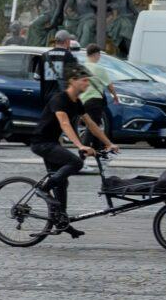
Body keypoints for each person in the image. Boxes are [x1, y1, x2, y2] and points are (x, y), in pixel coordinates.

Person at [27, 65, 113, 231]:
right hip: (41, 143)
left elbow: (91, 124)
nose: (87, 84)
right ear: (73, 81)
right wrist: (80, 145)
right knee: (75, 162)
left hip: (52, 143)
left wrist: (108, 143)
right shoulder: (58, 99)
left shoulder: (77, 102)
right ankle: (43, 189)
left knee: (62, 182)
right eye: (84, 80)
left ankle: (61, 220)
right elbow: (65, 123)